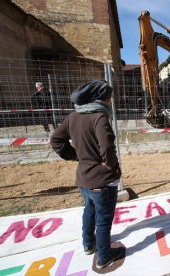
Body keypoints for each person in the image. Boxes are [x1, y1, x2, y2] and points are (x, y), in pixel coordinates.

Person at [50, 80, 125, 269]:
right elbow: (107, 146)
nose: (110, 100)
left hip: (83, 178)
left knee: (89, 210)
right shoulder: (99, 116)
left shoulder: (73, 116)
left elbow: (56, 140)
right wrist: (111, 166)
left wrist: (77, 156)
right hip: (102, 180)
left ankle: (88, 244)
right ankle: (104, 257)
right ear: (99, 98)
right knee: (104, 220)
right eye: (108, 96)